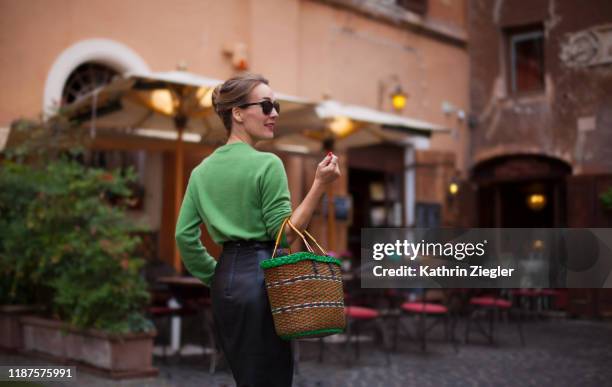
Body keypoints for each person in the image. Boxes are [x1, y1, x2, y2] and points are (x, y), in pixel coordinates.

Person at [175, 73, 340, 387]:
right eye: (266, 105)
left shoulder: (200, 172)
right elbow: (286, 236)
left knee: (245, 377)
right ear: (237, 113)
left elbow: (184, 236)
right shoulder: (268, 164)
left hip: (226, 283)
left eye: (275, 105)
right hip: (264, 281)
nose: (274, 113)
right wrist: (319, 185)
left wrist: (215, 275)